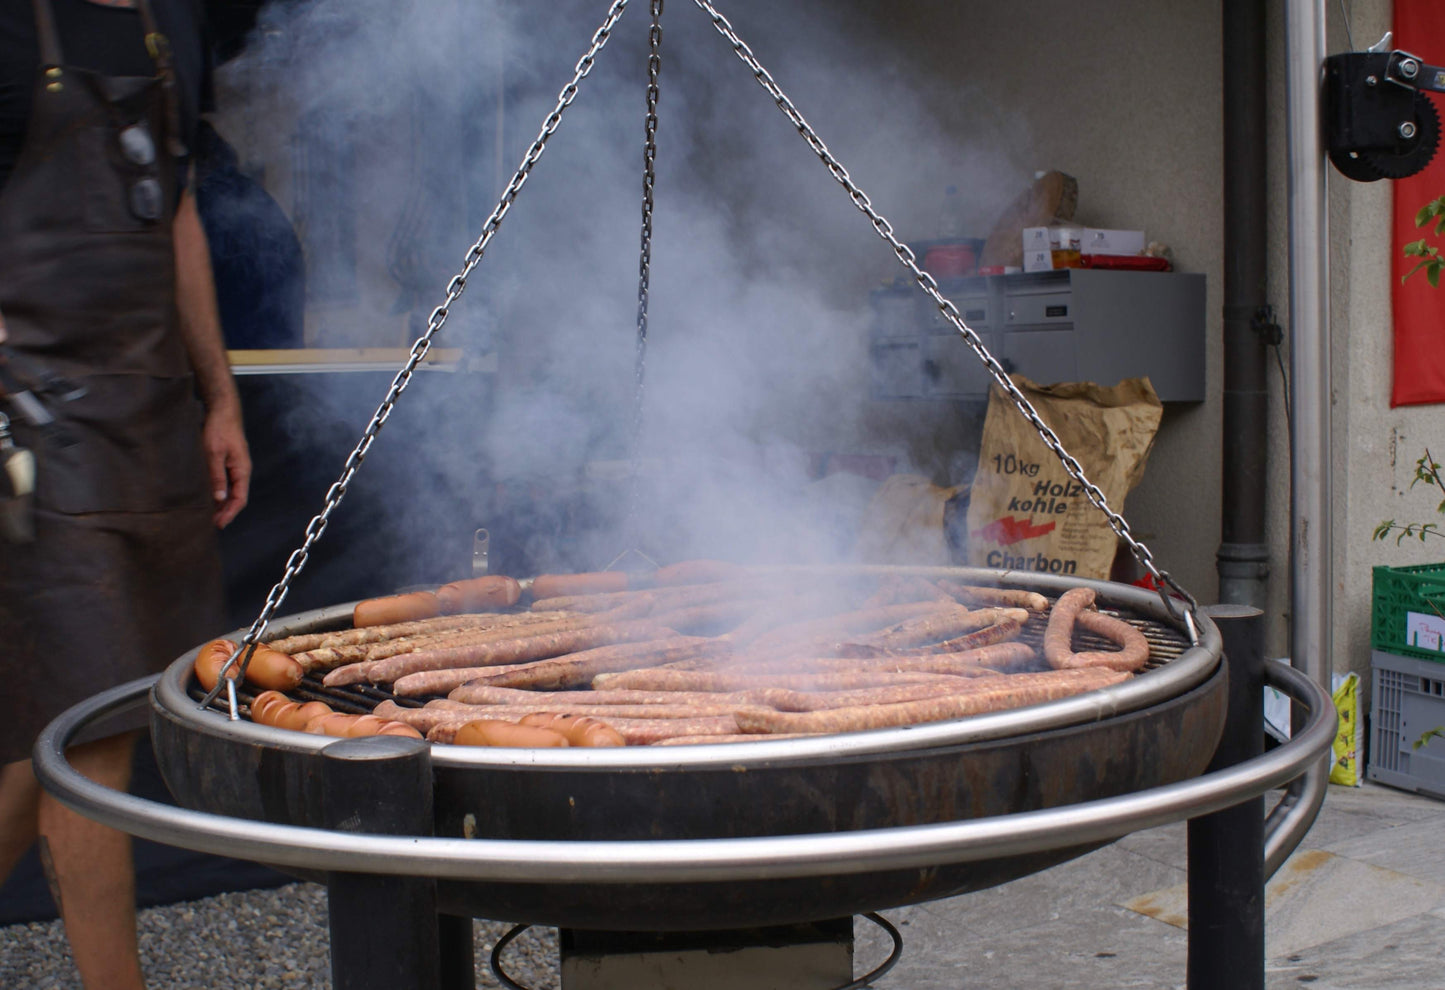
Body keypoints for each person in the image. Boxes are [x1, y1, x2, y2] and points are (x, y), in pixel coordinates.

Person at [0, 1, 250, 987]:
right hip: (30, 425)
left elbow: (179, 211)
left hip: (146, 417)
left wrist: (217, 392)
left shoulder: (168, 24)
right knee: (92, 730)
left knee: (63, 734)